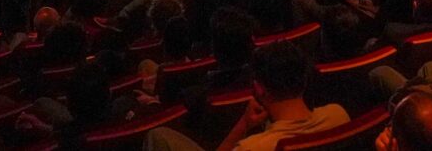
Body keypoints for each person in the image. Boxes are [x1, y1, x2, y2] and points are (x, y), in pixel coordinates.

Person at [144, 41, 348, 151]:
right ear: (303, 80)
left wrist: (243, 124)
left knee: (158, 135)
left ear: (258, 89)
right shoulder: (338, 115)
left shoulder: (253, 147)